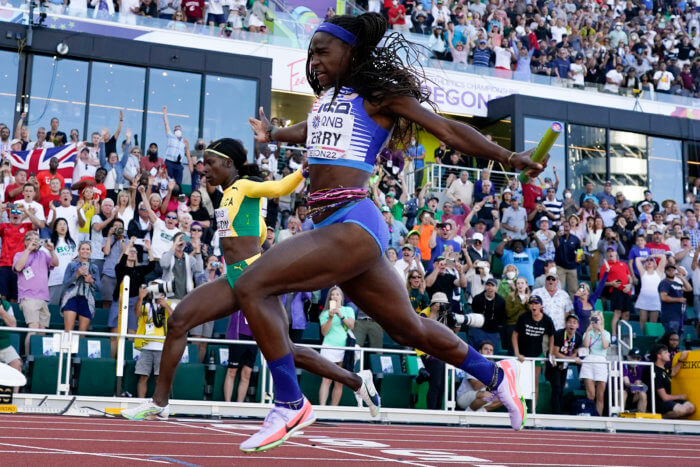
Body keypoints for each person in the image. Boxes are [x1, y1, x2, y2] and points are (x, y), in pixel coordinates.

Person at [239, 13, 547, 449]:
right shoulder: (326, 100)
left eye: (323, 52)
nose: (314, 62)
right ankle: (495, 374)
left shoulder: (378, 96)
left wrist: (508, 155)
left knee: (253, 285)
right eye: (310, 55)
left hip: (353, 221)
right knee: (409, 330)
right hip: (332, 225)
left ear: (353, 53)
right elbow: (309, 130)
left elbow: (447, 129)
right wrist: (276, 133)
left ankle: (290, 402)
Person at [122, 139, 379, 422]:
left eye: (210, 163)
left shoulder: (243, 186)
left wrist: (303, 172)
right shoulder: (226, 196)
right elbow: (251, 233)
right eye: (203, 163)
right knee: (179, 320)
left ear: (229, 164)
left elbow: (278, 189)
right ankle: (160, 402)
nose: (204, 169)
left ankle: (357, 381)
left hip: (256, 284)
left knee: (287, 351)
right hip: (233, 280)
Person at [512, 295, 555, 404]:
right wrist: (517, 353)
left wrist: (550, 353)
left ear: (541, 305)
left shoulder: (547, 320)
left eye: (536, 303)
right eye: (531, 303)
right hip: (523, 354)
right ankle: (520, 409)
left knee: (534, 382)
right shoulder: (523, 317)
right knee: (520, 382)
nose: (533, 306)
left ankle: (533, 410)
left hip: (538, 353)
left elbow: (552, 336)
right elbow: (514, 335)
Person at [318, 287, 356, 406]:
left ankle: (333, 409)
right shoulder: (324, 313)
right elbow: (324, 332)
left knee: (339, 382)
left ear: (341, 297)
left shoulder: (348, 310)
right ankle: (323, 408)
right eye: (332, 295)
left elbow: (351, 326)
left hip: (344, 348)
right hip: (329, 346)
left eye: (337, 294)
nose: (335, 296)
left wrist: (341, 315)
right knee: (326, 379)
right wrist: (330, 317)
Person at [61, 241, 102, 332]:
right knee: (68, 331)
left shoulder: (94, 267)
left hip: (87, 299)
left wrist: (91, 281)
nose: (85, 251)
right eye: (83, 249)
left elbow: (99, 287)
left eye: (87, 249)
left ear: (90, 251)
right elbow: (65, 284)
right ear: (78, 251)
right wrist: (77, 275)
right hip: (71, 297)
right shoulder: (71, 265)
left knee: (82, 333)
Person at [547, 313, 582, 415]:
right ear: (566, 323)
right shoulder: (559, 334)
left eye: (574, 323)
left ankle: (558, 411)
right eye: (570, 322)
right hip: (554, 363)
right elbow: (555, 352)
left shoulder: (578, 338)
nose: (572, 324)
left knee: (561, 388)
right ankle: (555, 412)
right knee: (556, 387)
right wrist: (570, 359)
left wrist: (573, 358)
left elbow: (575, 351)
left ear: (577, 325)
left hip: (565, 364)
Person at [455, 340, 503, 412]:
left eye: (491, 350)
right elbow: (476, 386)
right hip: (464, 397)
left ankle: (477, 414)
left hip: (482, 397)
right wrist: (492, 376)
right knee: (486, 396)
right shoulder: (473, 364)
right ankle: (467, 415)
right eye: (486, 349)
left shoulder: (494, 367)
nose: (489, 352)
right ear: (480, 351)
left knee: (503, 398)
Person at [651, 343, 695, 419]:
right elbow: (664, 397)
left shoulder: (664, 369)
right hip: (659, 403)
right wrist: (679, 396)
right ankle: (658, 418)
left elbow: (673, 372)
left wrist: (681, 359)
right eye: (665, 352)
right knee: (682, 410)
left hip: (670, 400)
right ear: (659, 356)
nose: (669, 354)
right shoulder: (655, 372)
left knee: (691, 408)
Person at [580, 311, 610, 417]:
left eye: (598, 319)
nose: (596, 322)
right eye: (594, 319)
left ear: (602, 321)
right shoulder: (588, 333)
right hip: (589, 360)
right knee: (591, 394)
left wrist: (601, 330)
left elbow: (605, 346)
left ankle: (599, 418)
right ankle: (591, 416)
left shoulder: (606, 333)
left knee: (600, 395)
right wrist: (588, 331)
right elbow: (586, 345)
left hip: (601, 361)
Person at [658, 264, 692, 335]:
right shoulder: (664, 283)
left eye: (673, 270)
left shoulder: (676, 283)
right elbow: (663, 297)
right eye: (669, 270)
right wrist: (679, 299)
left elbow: (689, 288)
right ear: (665, 272)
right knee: (671, 337)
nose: (671, 272)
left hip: (679, 316)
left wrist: (682, 278)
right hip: (670, 316)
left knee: (677, 339)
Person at [635, 254, 665, 332]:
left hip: (655, 300)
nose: (649, 261)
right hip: (643, 300)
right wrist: (646, 258)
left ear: (655, 264)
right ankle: (643, 338)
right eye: (647, 261)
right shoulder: (643, 272)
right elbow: (637, 259)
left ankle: (651, 339)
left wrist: (653, 255)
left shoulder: (658, 272)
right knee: (642, 321)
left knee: (653, 323)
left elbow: (663, 257)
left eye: (651, 260)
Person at [622, 347, 648, 413]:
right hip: (619, 392)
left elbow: (639, 384)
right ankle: (620, 414)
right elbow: (626, 383)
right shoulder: (623, 365)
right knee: (623, 393)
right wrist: (635, 386)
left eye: (638, 358)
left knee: (643, 394)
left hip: (632, 393)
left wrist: (637, 386)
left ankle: (641, 416)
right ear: (628, 357)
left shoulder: (639, 367)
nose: (635, 360)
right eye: (633, 357)